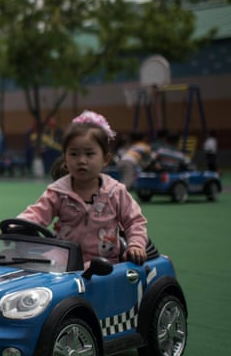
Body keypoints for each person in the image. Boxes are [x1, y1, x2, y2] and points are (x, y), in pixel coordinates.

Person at [16, 110, 148, 266]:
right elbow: (37, 213)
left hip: (104, 263)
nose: (81, 160)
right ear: (65, 158)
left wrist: (135, 245)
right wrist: (18, 225)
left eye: (89, 154)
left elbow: (134, 222)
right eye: (74, 154)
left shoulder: (115, 192)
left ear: (105, 159)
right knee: (31, 265)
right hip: (64, 258)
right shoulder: (58, 192)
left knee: (92, 270)